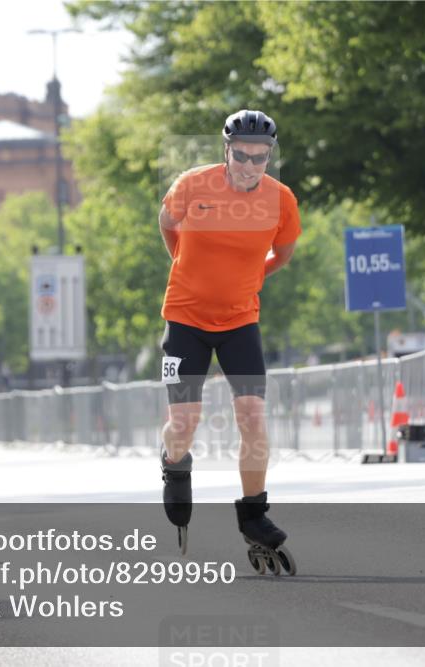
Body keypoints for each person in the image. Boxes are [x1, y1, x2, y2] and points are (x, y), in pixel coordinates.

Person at [157, 109, 300, 570]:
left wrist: (249, 281)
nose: (249, 167)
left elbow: (285, 251)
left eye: (260, 159)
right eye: (241, 156)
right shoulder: (192, 185)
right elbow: (167, 223)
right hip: (185, 318)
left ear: (269, 157)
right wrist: (186, 267)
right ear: (227, 150)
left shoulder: (281, 200)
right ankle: (174, 466)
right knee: (184, 423)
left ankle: (255, 515)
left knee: (253, 414)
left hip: (241, 321)